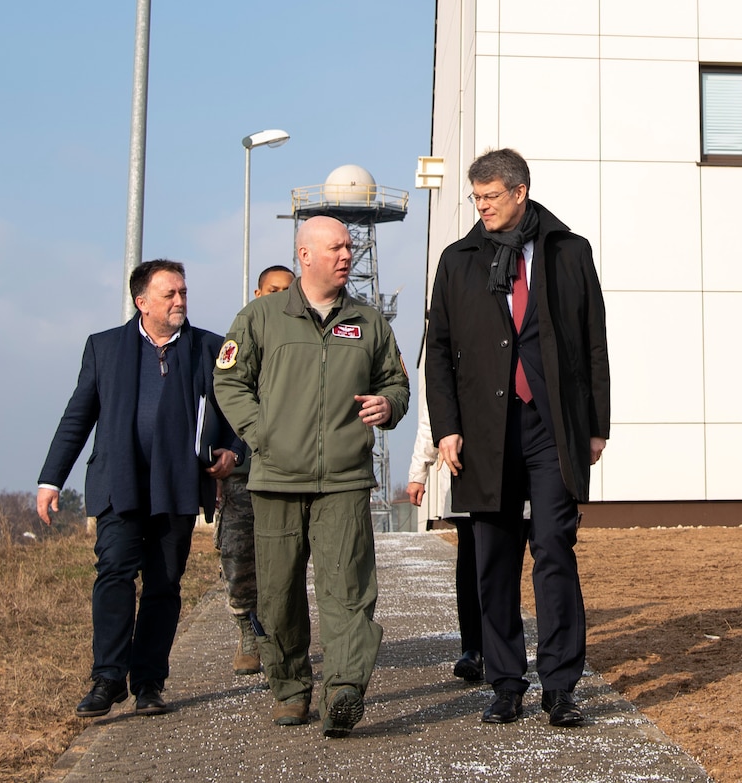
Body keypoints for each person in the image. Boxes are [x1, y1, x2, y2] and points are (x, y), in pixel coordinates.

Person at [424, 148, 611, 728]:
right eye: (475, 199)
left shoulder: (569, 252)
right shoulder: (458, 260)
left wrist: (596, 424)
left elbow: (593, 341)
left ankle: (560, 686)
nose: (481, 208)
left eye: (490, 197)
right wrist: (446, 428)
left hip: (552, 427)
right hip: (483, 431)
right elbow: (439, 354)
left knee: (554, 549)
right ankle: (506, 683)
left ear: (520, 192)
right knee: (494, 560)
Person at [214, 217, 409, 737]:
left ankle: (344, 689)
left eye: (350, 245)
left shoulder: (369, 323)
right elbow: (229, 384)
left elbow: (396, 382)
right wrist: (265, 435)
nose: (348, 254)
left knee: (347, 590)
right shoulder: (259, 317)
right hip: (276, 480)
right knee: (277, 597)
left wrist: (387, 404)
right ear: (305, 255)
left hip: (344, 481)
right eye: (337, 247)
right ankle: (291, 689)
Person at [37, 259, 240, 718]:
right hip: (119, 484)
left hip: (178, 487)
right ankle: (107, 679)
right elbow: (77, 417)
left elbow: (239, 409)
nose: (180, 301)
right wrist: (51, 480)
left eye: (183, 293)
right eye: (169, 294)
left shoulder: (210, 347)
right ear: (141, 301)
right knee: (113, 575)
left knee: (164, 586)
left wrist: (233, 450)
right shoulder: (104, 347)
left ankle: (148, 682)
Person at [218, 263, 295, 676]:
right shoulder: (241, 334)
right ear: (257, 292)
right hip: (243, 469)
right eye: (272, 288)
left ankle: (274, 639)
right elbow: (223, 396)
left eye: (287, 289)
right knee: (238, 554)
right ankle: (246, 627)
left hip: (286, 467)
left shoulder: (297, 336)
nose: (278, 295)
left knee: (280, 559)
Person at [405, 343, 484, 683]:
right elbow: (432, 412)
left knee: (501, 562)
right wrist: (418, 471)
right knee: (470, 559)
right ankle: (473, 648)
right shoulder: (453, 338)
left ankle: (498, 647)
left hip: (514, 467)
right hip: (466, 467)